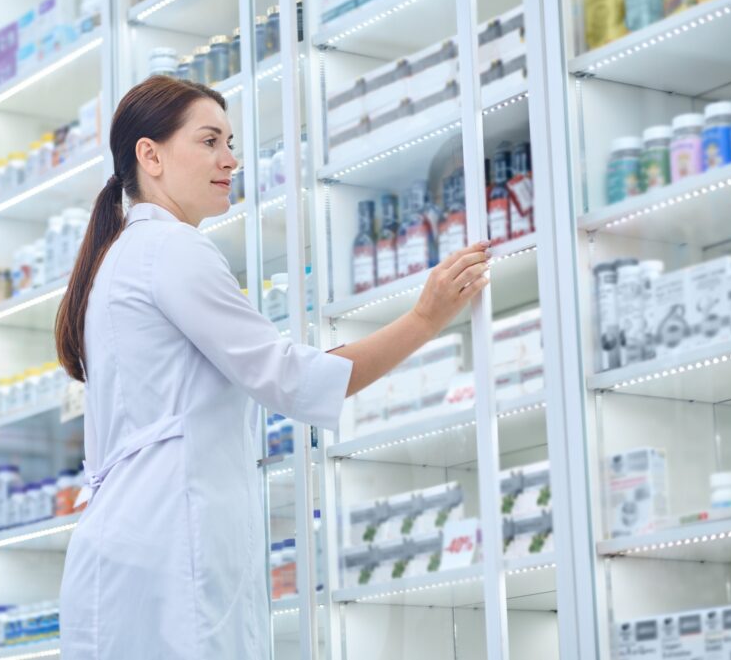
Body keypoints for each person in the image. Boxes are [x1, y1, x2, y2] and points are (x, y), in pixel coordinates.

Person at [54, 76, 490, 659]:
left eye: (230, 142)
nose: (230, 160)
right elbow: (289, 379)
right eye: (210, 141)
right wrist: (425, 320)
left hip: (131, 550)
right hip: (169, 551)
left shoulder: (119, 256)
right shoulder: (171, 249)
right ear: (149, 155)